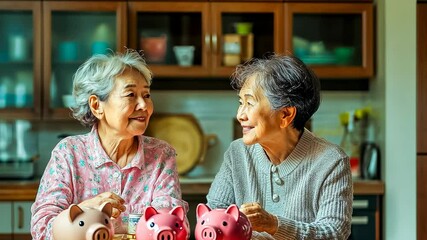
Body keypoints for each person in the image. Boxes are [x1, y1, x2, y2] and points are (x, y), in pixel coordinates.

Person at [31, 50, 188, 239]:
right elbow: (42, 229)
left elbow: (174, 226)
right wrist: (86, 209)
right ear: (97, 106)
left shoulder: (161, 154)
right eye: (130, 94)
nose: (144, 105)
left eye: (146, 95)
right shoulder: (68, 154)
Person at [206, 54, 353, 239]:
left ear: (285, 115)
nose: (240, 115)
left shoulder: (331, 161)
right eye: (240, 103)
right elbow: (212, 218)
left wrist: (274, 225)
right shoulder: (237, 153)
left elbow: (334, 233)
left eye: (250, 103)